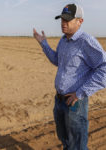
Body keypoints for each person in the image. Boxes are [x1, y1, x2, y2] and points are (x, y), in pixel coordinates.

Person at [33, 3, 106, 150]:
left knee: (77, 146)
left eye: (67, 20)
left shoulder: (86, 41)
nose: (63, 23)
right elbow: (57, 60)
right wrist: (44, 44)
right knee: (65, 141)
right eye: (62, 20)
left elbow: (104, 69)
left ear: (80, 21)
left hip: (75, 104)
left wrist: (80, 93)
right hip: (59, 100)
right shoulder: (64, 40)